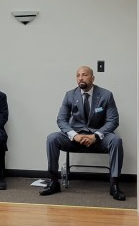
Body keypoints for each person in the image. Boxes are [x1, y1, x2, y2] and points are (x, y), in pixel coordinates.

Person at [41, 66, 124, 200]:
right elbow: (61, 119)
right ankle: (54, 181)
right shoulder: (70, 95)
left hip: (98, 139)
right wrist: (75, 135)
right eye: (78, 75)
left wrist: (95, 136)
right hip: (76, 138)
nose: (80, 78)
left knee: (116, 141)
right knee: (52, 138)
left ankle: (114, 184)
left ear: (93, 78)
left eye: (84, 75)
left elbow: (113, 121)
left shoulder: (106, 95)